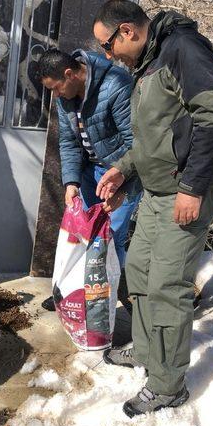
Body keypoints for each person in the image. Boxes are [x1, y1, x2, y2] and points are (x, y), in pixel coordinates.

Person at [92, 0, 213, 417]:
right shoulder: (148, 63)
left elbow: (212, 120)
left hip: (185, 191)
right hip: (157, 190)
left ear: (128, 31)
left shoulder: (184, 50)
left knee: (168, 285)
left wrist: (192, 187)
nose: (107, 54)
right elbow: (155, 138)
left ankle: (168, 385)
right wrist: (122, 170)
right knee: (140, 274)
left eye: (107, 44)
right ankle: (150, 350)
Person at [35, 48, 142, 312]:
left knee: (111, 238)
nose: (55, 95)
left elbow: (138, 144)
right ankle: (75, 292)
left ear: (70, 74)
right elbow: (69, 142)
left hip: (122, 174)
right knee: (83, 235)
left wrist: (122, 186)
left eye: (56, 88)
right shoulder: (66, 96)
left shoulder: (117, 85)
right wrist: (70, 182)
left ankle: (104, 301)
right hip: (90, 173)